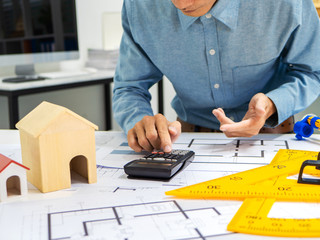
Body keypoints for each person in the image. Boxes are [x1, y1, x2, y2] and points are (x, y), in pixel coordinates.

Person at [113, 0, 320, 153]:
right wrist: (140, 123)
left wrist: (273, 104)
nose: (180, 3)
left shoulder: (287, 3)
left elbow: (312, 72)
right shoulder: (138, 6)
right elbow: (129, 88)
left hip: (272, 137)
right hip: (186, 140)